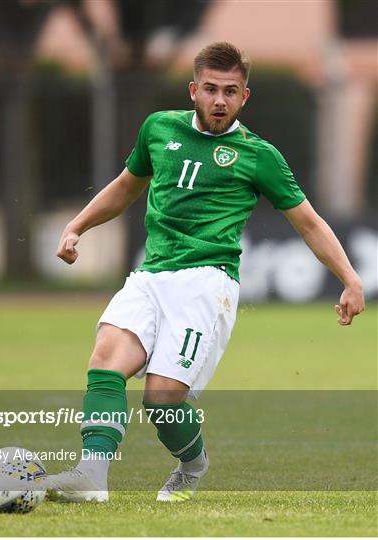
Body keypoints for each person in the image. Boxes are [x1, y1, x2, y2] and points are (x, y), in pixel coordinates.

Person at [44, 42, 365, 503]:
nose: (219, 100)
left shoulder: (259, 156)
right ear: (193, 89)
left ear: (244, 97)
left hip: (207, 283)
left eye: (230, 91)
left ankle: (193, 464)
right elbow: (125, 187)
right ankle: (92, 478)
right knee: (105, 362)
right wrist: (77, 225)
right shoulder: (158, 129)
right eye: (211, 89)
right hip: (150, 274)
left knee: (162, 404)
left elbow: (309, 222)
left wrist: (350, 279)